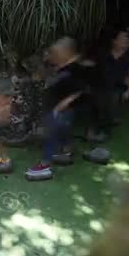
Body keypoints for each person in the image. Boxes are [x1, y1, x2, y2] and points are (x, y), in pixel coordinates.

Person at [27, 37, 86, 179]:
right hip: (56, 109)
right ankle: (66, 151)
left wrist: (60, 106)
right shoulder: (61, 66)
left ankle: (44, 165)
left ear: (67, 52)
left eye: (56, 53)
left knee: (50, 135)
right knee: (62, 132)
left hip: (61, 111)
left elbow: (79, 90)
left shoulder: (75, 70)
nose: (53, 55)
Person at [102, 27, 129, 125]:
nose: (124, 40)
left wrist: (128, 91)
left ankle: (108, 123)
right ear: (114, 41)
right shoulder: (105, 55)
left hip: (118, 87)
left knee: (113, 97)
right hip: (102, 85)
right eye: (121, 38)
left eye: (126, 39)